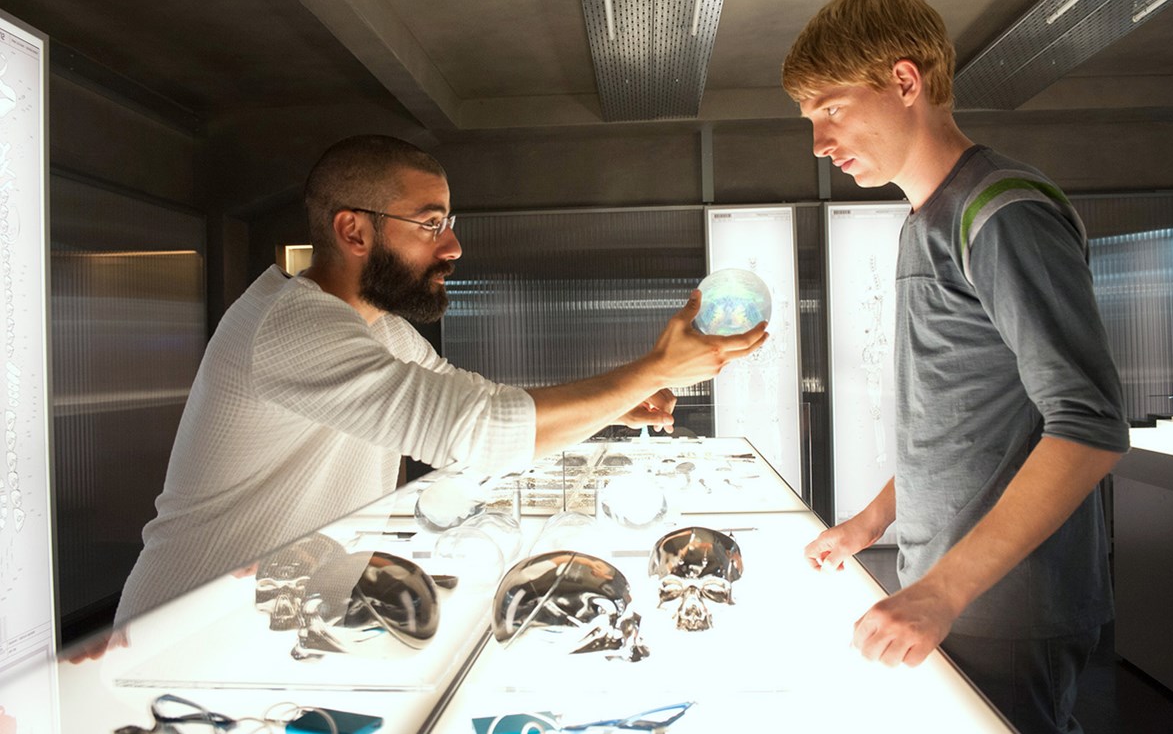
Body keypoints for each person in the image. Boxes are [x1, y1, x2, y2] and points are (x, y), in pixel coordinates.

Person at [114, 134, 767, 626]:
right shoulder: (291, 325)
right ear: (353, 230)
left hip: (274, 614)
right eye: (430, 225)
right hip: (183, 631)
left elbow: (478, 412)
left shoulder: (382, 332)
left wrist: (618, 405)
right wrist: (652, 370)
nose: (451, 247)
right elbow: (474, 431)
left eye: (449, 225)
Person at [781, 0, 1127, 733]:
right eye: (810, 120)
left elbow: (1090, 426)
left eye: (831, 109)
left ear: (905, 82)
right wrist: (870, 522)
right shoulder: (924, 221)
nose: (819, 143)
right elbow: (961, 421)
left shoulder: (1001, 211)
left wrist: (943, 591)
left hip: (1007, 604)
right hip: (950, 591)